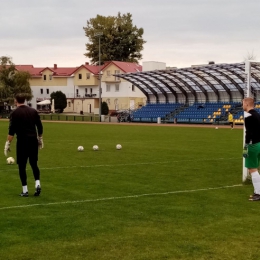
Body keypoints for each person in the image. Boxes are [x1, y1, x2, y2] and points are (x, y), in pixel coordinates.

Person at [4, 93, 44, 197]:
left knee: (22, 166)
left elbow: (11, 131)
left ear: (16, 101)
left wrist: (7, 144)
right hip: (33, 141)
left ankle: (25, 190)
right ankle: (37, 184)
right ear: (25, 100)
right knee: (34, 164)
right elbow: (39, 126)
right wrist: (40, 138)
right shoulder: (33, 111)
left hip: (22, 142)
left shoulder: (14, 113)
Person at [242, 97, 260, 201]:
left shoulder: (248, 116)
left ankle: (258, 193)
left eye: (243, 103)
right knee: (255, 168)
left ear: (247, 104)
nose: (242, 106)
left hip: (252, 146)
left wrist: (245, 148)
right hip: (259, 144)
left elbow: (248, 133)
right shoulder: (257, 114)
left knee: (252, 169)